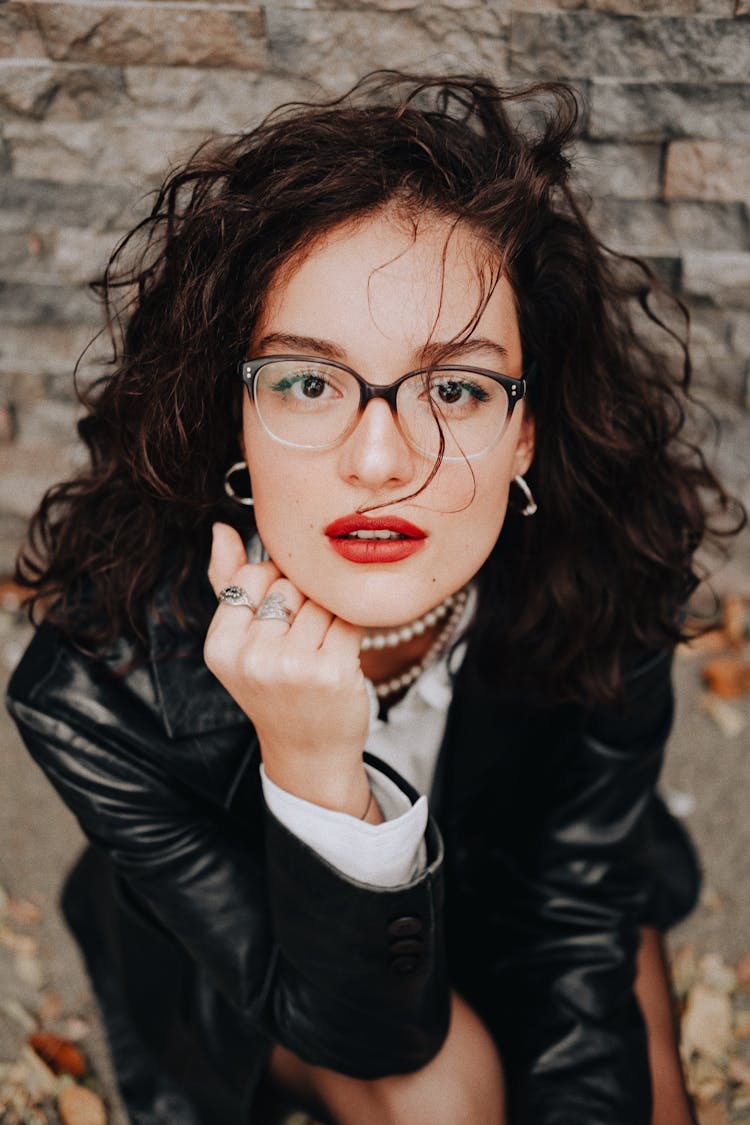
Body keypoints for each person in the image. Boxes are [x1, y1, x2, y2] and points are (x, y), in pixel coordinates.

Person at [6, 72, 741, 1125]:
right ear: (237, 422)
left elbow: (567, 915)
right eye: (309, 381)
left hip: (524, 883)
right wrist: (314, 770)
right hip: (280, 971)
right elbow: (366, 1029)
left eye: (456, 388)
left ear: (525, 432)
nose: (381, 457)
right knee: (441, 1096)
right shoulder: (93, 690)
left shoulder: (606, 563)